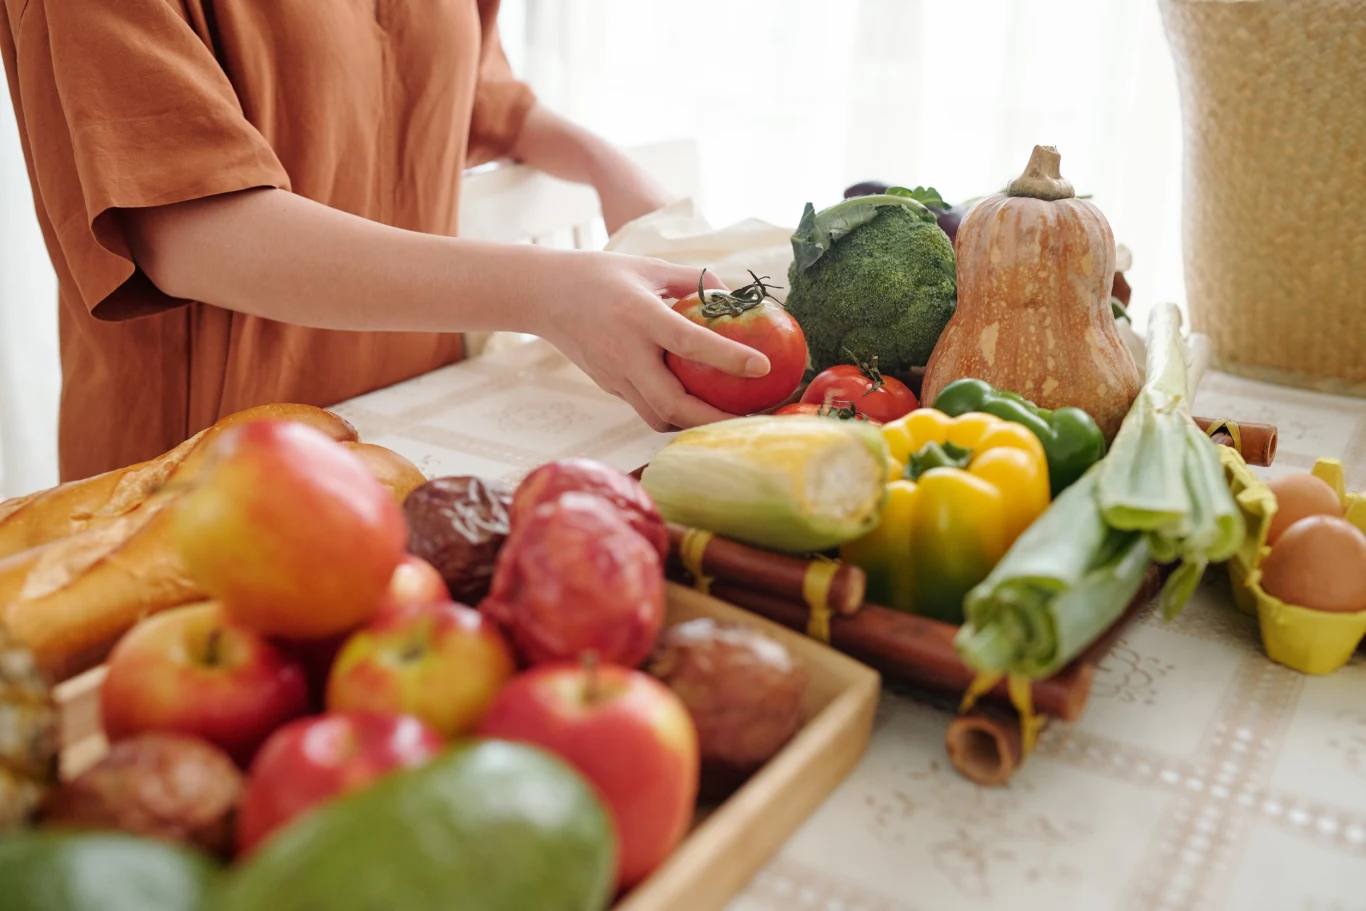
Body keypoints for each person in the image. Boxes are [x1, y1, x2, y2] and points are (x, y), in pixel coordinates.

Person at [0, 0, 769, 482]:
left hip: (407, 428)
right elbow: (188, 230)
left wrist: (606, 168)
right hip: (205, 468)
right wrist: (548, 292)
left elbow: (467, 86)